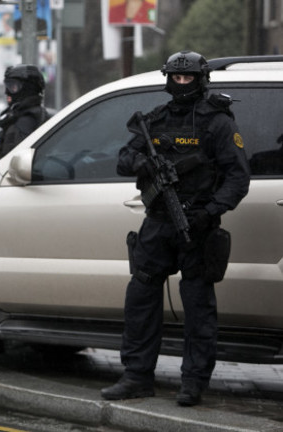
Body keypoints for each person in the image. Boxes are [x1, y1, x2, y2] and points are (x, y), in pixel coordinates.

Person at [101, 50, 250, 407]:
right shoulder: (154, 120)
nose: (182, 83)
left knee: (197, 304)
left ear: (201, 81)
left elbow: (237, 178)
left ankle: (193, 382)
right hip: (157, 222)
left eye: (188, 78)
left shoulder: (217, 122)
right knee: (140, 296)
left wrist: (210, 210)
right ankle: (137, 377)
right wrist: (142, 162)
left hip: (196, 224)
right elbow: (123, 159)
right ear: (168, 79)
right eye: (177, 78)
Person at [0, 64, 49, 163]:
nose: (7, 92)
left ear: (27, 89)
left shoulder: (26, 122)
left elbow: (9, 163)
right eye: (8, 86)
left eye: (13, 87)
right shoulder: (20, 116)